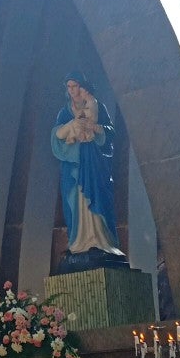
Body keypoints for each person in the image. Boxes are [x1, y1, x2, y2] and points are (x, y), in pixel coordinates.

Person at [51, 72, 128, 274]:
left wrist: (95, 128)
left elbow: (110, 132)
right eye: (68, 86)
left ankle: (101, 241)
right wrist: (69, 127)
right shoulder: (64, 112)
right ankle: (78, 243)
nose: (72, 90)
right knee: (75, 201)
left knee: (98, 196)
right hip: (74, 167)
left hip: (94, 163)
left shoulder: (97, 106)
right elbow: (56, 137)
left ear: (82, 86)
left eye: (75, 85)